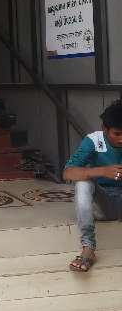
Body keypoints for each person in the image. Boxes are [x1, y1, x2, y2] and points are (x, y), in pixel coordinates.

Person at [63, 99, 122, 272]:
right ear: (104, 129)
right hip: (103, 203)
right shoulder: (93, 141)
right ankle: (88, 247)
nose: (121, 139)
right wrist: (103, 171)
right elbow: (68, 173)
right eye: (117, 134)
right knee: (83, 183)